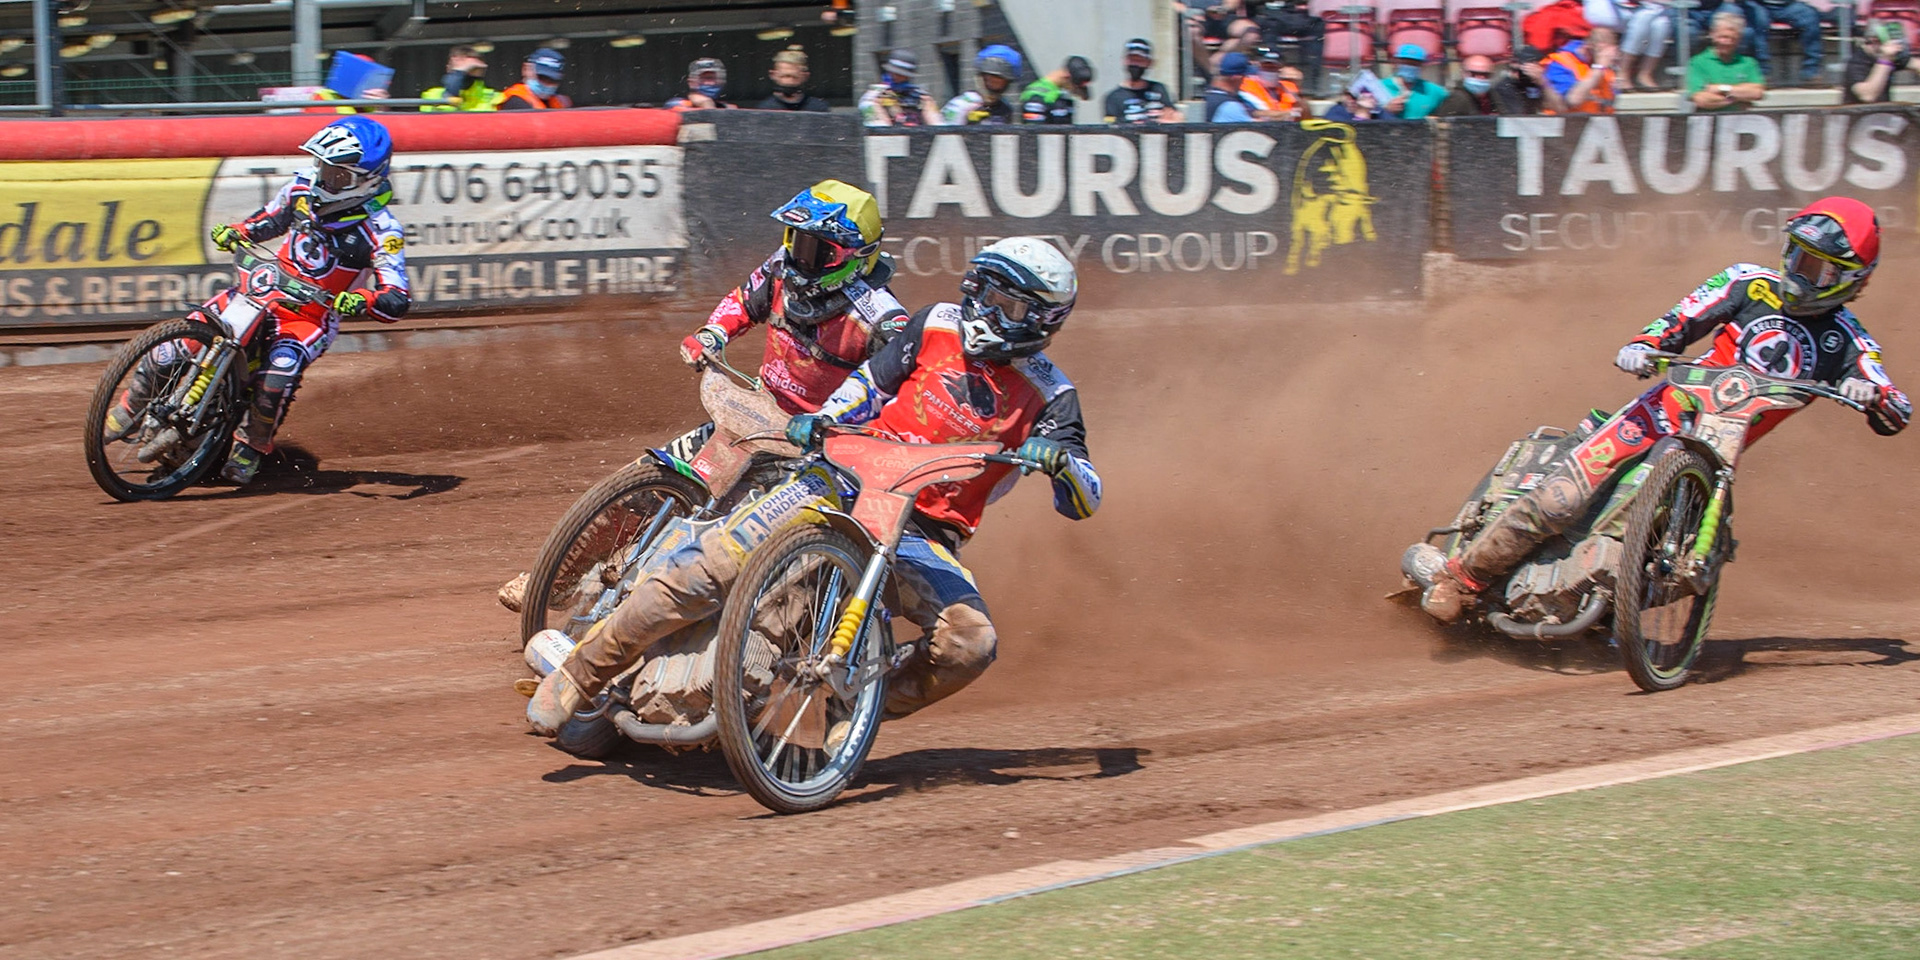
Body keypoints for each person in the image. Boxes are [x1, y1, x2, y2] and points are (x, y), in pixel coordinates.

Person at [524, 237, 1102, 736]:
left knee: (970, 644)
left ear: (1040, 319)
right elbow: (869, 384)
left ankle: (851, 709)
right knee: (704, 568)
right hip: (840, 481)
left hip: (921, 533)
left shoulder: (1052, 395)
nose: (980, 309)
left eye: (1001, 302)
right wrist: (826, 419)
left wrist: (1062, 465)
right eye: (979, 292)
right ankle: (582, 675)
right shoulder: (935, 324)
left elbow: (1086, 494)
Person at [1413, 197, 1910, 623]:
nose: (1799, 272)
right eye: (1797, 256)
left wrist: (1877, 397)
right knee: (1561, 498)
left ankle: (1605, 603)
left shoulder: (1849, 341)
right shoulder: (1747, 282)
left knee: (1663, 547)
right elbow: (1683, 316)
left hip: (1718, 450)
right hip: (1658, 413)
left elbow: (1889, 397)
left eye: (1816, 266)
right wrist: (1645, 344)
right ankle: (1462, 579)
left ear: (1851, 278)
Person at [497, 180, 907, 614]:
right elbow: (743, 302)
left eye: (817, 249)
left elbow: (896, 396)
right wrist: (713, 333)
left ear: (854, 257)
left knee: (753, 554)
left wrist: (843, 431)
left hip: (816, 450)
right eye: (797, 239)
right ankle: (556, 581)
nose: (801, 255)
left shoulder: (881, 320)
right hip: (756, 413)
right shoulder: (782, 269)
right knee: (643, 483)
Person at [193, 117, 409, 484]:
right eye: (322, 167)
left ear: (366, 180)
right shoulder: (301, 190)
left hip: (309, 315)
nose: (324, 180)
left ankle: (251, 447)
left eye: (337, 176)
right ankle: (129, 405)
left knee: (280, 371)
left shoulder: (382, 229)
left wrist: (363, 300)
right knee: (192, 331)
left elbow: (397, 295)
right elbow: (270, 220)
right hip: (262, 287)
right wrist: (237, 232)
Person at [1731, 0, 1824, 85]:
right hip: (1758, 4)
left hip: (1788, 5)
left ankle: (1811, 71)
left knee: (1810, 16)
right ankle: (1762, 72)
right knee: (1758, 21)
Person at [1687, 11, 1766, 112]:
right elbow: (1701, 99)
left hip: (1741, 122)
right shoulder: (1698, 62)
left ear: (1739, 39)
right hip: (1709, 121)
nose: (1727, 42)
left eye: (1733, 38)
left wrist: (1722, 89)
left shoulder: (1748, 63)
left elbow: (1757, 93)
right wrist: (1738, 97)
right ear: (1713, 35)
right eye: (1723, 37)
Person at [942, 44, 1024, 124]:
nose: (993, 83)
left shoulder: (1004, 108)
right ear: (981, 77)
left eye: (1000, 80)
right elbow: (945, 134)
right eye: (990, 78)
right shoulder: (962, 104)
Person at [1543, 27, 1619, 113]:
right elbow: (1573, 101)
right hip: (1569, 123)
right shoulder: (1561, 63)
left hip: (1600, 122)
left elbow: (1609, 101)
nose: (1607, 56)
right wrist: (1599, 68)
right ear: (1588, 46)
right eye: (1603, 53)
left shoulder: (1606, 66)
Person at [858, 49, 940, 126]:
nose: (900, 77)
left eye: (905, 75)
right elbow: (878, 125)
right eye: (896, 73)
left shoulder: (921, 96)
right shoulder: (874, 96)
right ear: (889, 71)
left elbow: (936, 124)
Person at [1103, 37, 1175, 124]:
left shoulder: (1159, 89)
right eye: (1132, 60)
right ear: (1124, 61)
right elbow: (1111, 126)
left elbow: (1174, 118)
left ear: (1149, 63)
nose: (1135, 64)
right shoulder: (1113, 97)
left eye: (1140, 60)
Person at [1431, 54, 1530, 116]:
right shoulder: (1458, 98)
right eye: (1474, 74)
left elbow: (1503, 116)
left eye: (1485, 75)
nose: (1480, 78)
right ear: (1464, 74)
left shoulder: (1492, 95)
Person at [1844, 19, 1912, 104]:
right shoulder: (1856, 62)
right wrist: (1886, 59)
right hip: (1860, 115)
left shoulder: (1893, 56)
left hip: (1885, 114)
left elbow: (1915, 64)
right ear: (1874, 40)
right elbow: (1867, 96)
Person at [1380, 44, 1449, 120]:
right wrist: (1386, 110)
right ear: (1395, 63)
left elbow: (1450, 113)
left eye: (1414, 64)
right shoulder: (1380, 87)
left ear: (1422, 66)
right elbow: (1367, 116)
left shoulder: (1433, 90)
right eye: (1406, 62)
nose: (1410, 66)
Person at [418, 44, 494, 112]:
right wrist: (457, 75)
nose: (464, 72)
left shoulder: (491, 95)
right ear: (448, 68)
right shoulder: (433, 95)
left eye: (471, 68)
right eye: (459, 69)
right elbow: (442, 119)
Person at [756, 45, 832, 111]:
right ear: (773, 74)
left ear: (806, 76)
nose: (789, 81)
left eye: (794, 77)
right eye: (785, 76)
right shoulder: (765, 109)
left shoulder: (818, 108)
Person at [1021, 55, 1095, 124]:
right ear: (1066, 76)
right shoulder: (1037, 93)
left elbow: (1086, 96)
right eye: (1077, 86)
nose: (1077, 90)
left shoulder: (1061, 93)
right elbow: (1032, 130)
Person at [1239, 45, 1303, 119]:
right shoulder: (1246, 86)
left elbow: (1301, 110)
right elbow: (1255, 113)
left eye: (1273, 68)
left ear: (1280, 69)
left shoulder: (1288, 87)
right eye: (1266, 67)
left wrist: (1297, 83)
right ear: (1259, 67)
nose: (1269, 71)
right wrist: (1290, 113)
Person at [496, 47, 571, 110]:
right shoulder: (515, 100)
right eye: (542, 77)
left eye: (553, 80)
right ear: (526, 70)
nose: (547, 84)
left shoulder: (557, 102)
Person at [1203, 52, 1259, 121]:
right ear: (1236, 78)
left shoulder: (1205, 97)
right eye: (1245, 76)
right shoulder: (1230, 106)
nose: (1245, 79)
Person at [667, 57, 739, 110]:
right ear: (691, 82)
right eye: (708, 78)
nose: (712, 83)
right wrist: (706, 104)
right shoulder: (676, 105)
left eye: (715, 78)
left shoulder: (728, 108)